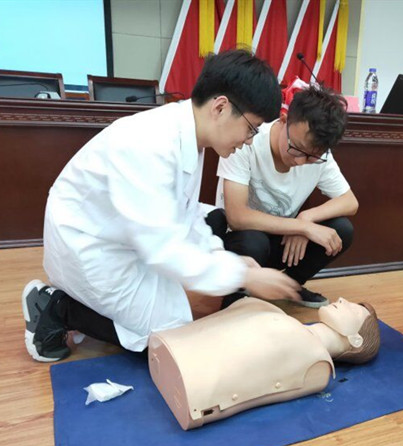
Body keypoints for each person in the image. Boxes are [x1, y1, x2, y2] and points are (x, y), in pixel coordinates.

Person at [22, 49, 301, 363]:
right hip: (87, 246)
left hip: (123, 240)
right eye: (251, 128)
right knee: (168, 340)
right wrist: (243, 276)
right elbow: (162, 247)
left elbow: (185, 217)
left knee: (179, 321)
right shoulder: (150, 143)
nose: (249, 141)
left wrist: (227, 260)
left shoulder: (189, 135)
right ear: (220, 107)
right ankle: (56, 306)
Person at [214, 85, 359, 308]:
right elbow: (237, 217)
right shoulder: (247, 139)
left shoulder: (319, 155)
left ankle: (288, 287)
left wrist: (306, 219)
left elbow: (350, 202)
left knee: (342, 230)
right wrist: (301, 227)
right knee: (253, 241)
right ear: (284, 120)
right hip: (239, 242)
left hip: (280, 240)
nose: (300, 161)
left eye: (312, 157)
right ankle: (236, 298)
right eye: (296, 148)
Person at [148, 296, 380, 429]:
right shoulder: (284, 322)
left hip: (191, 385)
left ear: (356, 340)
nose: (342, 299)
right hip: (174, 348)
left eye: (353, 310)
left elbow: (256, 391)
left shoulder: (318, 366)